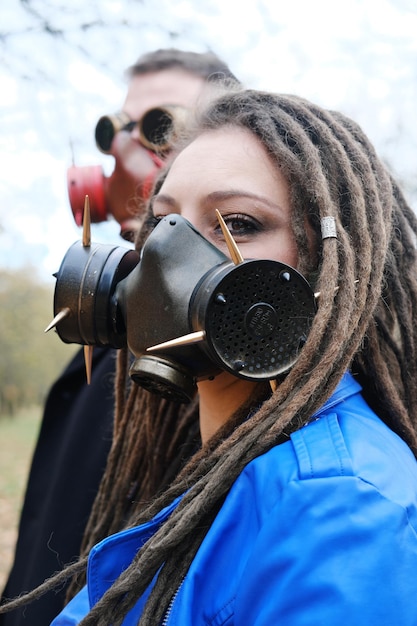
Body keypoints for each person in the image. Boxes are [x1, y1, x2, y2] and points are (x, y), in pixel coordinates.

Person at [3, 86, 417, 625]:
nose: (165, 259)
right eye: (162, 221)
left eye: (237, 223)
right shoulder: (213, 464)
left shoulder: (342, 508)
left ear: (327, 266)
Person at [0, 49, 238, 626]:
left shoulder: (227, 376)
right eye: (116, 131)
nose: (128, 155)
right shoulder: (98, 339)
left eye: (162, 128)